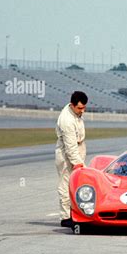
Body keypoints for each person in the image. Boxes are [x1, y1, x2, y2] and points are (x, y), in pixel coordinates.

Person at [55, 91, 88, 228]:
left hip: (78, 147)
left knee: (78, 184)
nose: (83, 110)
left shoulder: (75, 112)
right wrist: (78, 164)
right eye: (80, 108)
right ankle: (66, 217)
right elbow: (70, 147)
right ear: (72, 105)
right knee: (66, 184)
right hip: (67, 153)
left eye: (84, 107)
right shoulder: (67, 121)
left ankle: (77, 213)